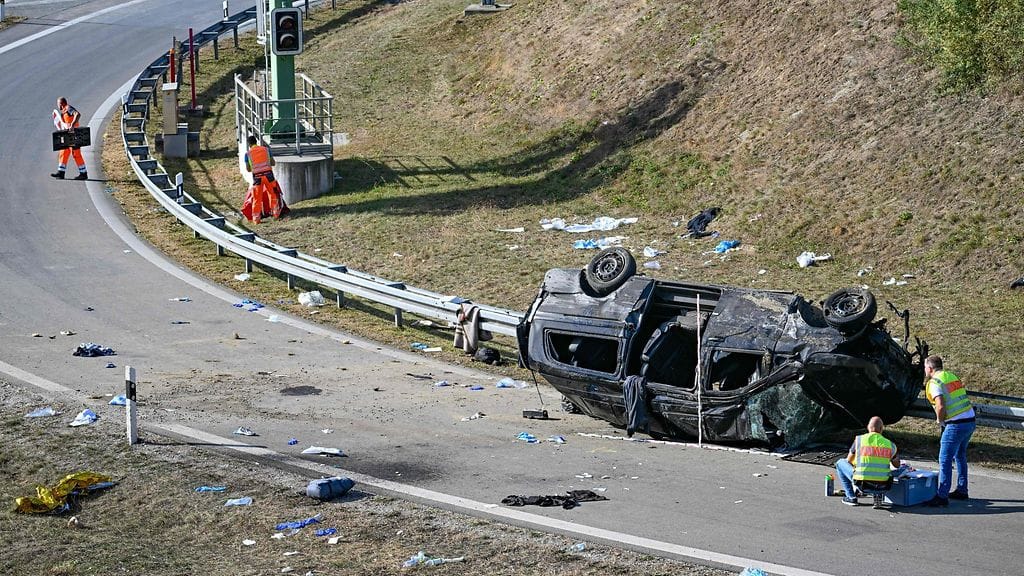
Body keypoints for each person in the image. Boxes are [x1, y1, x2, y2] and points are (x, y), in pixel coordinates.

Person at [923, 354, 975, 507]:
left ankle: (942, 495)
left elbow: (940, 404)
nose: (924, 370)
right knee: (960, 455)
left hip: (955, 424)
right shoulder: (951, 376)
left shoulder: (934, 382)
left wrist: (940, 421)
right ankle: (962, 489)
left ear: (930, 368)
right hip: (970, 421)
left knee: (945, 459)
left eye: (925, 367)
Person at [835, 416, 900, 506]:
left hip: (862, 484)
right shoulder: (890, 444)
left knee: (840, 463)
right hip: (884, 485)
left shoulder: (859, 440)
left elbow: (849, 460)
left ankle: (851, 497)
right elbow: (897, 465)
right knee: (882, 473)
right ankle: (877, 494)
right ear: (881, 429)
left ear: (868, 427)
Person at [241, 135, 288, 224]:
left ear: (249, 144)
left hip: (257, 177)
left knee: (257, 198)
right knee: (273, 194)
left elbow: (248, 169)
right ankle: (276, 214)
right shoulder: (266, 150)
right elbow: (273, 163)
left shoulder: (247, 154)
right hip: (269, 176)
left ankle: (256, 219)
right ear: (256, 142)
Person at [51, 97, 88, 180]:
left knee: (76, 154)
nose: (58, 106)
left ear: (61, 104)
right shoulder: (63, 112)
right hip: (68, 135)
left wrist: (72, 124)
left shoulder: (68, 108)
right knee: (64, 151)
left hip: (75, 135)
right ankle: (61, 172)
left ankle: (83, 173)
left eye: (58, 104)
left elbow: (77, 114)